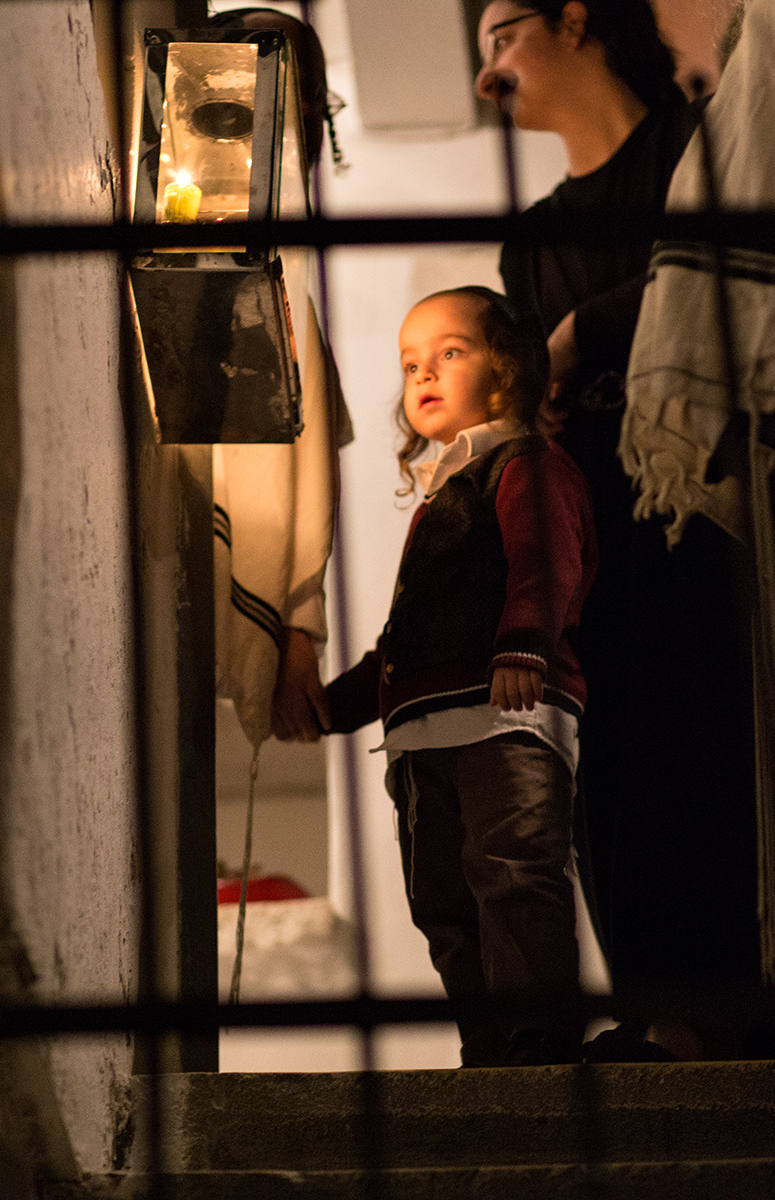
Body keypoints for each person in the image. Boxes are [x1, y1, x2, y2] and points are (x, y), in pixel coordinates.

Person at [476, 1, 759, 1061]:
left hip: (708, 518)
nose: (486, 76)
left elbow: (724, 278)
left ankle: (741, 1004)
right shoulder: (532, 236)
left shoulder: (697, 145)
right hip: (591, 537)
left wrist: (575, 334)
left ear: (575, 20)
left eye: (501, 38)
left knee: (719, 740)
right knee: (612, 764)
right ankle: (668, 1013)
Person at [322, 286, 597, 1066]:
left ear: (507, 368)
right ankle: (489, 1049)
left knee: (514, 874)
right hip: (423, 738)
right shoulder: (442, 492)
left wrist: (524, 644)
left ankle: (538, 1041)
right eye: (410, 363)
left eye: (449, 352)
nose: (424, 374)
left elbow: (546, 561)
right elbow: (404, 640)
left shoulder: (524, 463)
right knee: (441, 902)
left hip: (505, 718)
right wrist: (330, 708)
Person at [207, 9, 353, 749]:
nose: (284, 101)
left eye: (304, 88)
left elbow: (307, 468)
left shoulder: (290, 286)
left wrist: (299, 631)